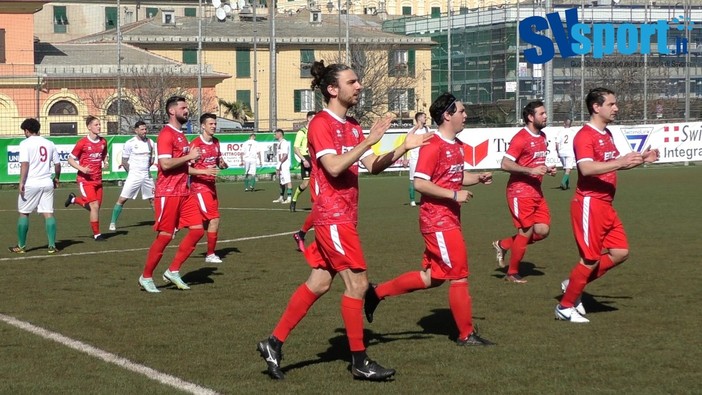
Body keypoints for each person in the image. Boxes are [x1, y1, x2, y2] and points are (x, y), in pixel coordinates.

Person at [256, 60, 432, 381]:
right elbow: (334, 167)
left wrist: (402, 147)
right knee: (359, 285)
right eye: (353, 82)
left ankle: (273, 342)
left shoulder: (351, 126)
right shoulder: (321, 124)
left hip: (345, 217)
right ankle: (360, 361)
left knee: (320, 283)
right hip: (331, 217)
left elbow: (373, 165)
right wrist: (369, 140)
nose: (359, 86)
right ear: (333, 89)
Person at [364, 93, 494, 346]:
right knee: (459, 274)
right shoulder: (432, 145)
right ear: (447, 115)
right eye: (461, 111)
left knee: (432, 278)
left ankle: (376, 293)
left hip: (449, 219)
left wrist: (477, 178)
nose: (465, 115)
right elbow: (420, 183)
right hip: (437, 221)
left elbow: (454, 176)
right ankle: (466, 335)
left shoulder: (457, 145)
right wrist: (453, 194)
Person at [556, 88, 659, 323]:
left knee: (620, 252)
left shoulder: (607, 134)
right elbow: (587, 168)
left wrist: (642, 159)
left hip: (606, 205)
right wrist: (620, 161)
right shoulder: (585, 135)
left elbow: (615, 165)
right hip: (589, 203)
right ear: (596, 107)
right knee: (590, 259)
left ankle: (573, 284)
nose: (616, 108)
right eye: (611, 104)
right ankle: (565, 307)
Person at [138, 96, 204, 293]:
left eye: (186, 107)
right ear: (172, 111)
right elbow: (165, 165)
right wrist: (189, 157)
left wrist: (190, 161)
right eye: (183, 108)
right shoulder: (166, 134)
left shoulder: (181, 135)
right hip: (168, 192)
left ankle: (173, 270)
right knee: (166, 236)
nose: (187, 110)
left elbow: (180, 162)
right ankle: (146, 276)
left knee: (198, 230)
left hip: (184, 191)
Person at [491, 100, 556, 283]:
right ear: (530, 117)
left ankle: (503, 244)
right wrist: (530, 171)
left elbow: (534, 163)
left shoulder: (542, 137)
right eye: (541, 114)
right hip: (519, 191)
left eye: (545, 113)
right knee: (526, 231)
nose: (545, 116)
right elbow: (505, 164)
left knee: (542, 230)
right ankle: (512, 273)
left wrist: (545, 169)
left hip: (536, 191)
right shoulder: (521, 138)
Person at [9, 118, 61, 254]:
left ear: (27, 131)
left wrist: (21, 182)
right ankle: (51, 246)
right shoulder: (50, 143)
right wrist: (57, 178)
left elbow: (24, 164)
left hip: (31, 183)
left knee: (24, 213)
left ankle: (21, 246)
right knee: (48, 213)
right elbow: (57, 164)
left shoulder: (25, 143)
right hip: (47, 182)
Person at [189, 113, 227, 264]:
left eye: (215, 124)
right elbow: (187, 169)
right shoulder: (195, 144)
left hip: (211, 186)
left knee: (204, 222)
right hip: (199, 187)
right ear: (203, 126)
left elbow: (219, 161)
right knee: (214, 219)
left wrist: (222, 164)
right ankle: (210, 254)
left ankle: (180, 224)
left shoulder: (216, 142)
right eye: (210, 124)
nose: (214, 126)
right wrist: (204, 171)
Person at [65, 115, 109, 241]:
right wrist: (82, 169)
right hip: (85, 181)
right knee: (94, 206)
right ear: (89, 127)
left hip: (98, 180)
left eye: (99, 124)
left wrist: (105, 162)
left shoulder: (103, 142)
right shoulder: (82, 143)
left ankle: (74, 200)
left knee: (94, 208)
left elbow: (104, 154)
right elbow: (70, 159)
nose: (99, 126)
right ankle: (97, 234)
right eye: (96, 124)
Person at [109, 121, 155, 231]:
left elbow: (152, 158)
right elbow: (124, 161)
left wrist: (147, 166)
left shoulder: (150, 142)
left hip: (146, 175)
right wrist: (132, 172)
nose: (144, 131)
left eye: (145, 129)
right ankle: (112, 222)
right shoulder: (130, 143)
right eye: (142, 129)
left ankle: (159, 222)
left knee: (153, 199)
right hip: (134, 175)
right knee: (122, 199)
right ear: (136, 130)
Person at [289, 111, 316, 212]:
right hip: (306, 158)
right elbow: (295, 148)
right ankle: (294, 199)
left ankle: (317, 204)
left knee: (319, 182)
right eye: (314, 118)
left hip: (314, 158)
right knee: (305, 183)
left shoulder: (316, 131)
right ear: (308, 119)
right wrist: (304, 159)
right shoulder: (302, 132)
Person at [405, 111, 430, 206]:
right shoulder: (412, 131)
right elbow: (406, 144)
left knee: (426, 179)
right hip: (414, 159)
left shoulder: (427, 129)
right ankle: (412, 200)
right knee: (412, 180)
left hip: (425, 159)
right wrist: (405, 158)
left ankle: (425, 199)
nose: (426, 118)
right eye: (424, 117)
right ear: (419, 119)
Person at [271, 129, 292, 204]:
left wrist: (279, 164)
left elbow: (285, 155)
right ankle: (281, 197)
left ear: (280, 134)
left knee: (287, 181)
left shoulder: (284, 143)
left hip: (284, 165)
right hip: (280, 165)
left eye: (276, 134)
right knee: (281, 182)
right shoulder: (279, 143)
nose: (275, 135)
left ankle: (289, 198)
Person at [556, 118, 576, 190]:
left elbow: (557, 143)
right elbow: (576, 143)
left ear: (564, 123)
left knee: (565, 168)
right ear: (570, 124)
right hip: (570, 152)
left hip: (562, 152)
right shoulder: (573, 132)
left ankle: (566, 185)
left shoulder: (560, 132)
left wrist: (558, 152)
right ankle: (563, 181)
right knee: (568, 169)